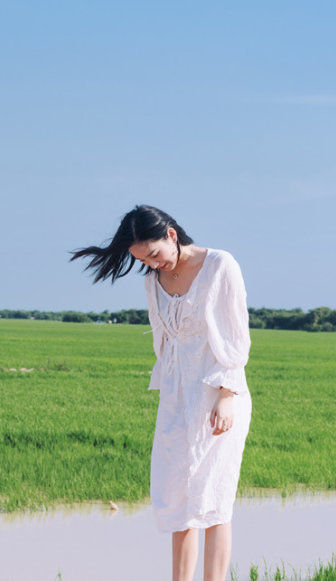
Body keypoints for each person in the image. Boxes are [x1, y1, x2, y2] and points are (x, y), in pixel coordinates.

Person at [71, 205, 252, 581]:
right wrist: (171, 396)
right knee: (176, 500)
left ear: (171, 235)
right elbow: (165, 343)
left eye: (154, 254)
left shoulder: (220, 265)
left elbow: (236, 337)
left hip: (219, 396)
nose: (153, 265)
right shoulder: (153, 281)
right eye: (142, 260)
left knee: (214, 499)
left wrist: (227, 393)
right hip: (175, 397)